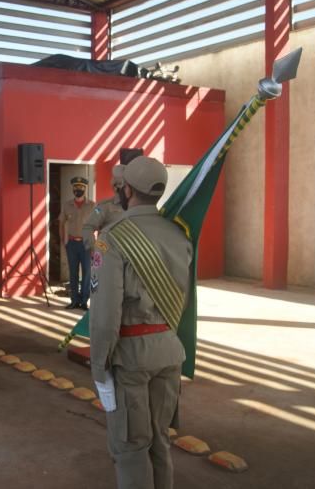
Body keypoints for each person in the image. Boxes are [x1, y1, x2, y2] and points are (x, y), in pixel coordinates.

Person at [89, 156, 192, 489]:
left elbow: (105, 314)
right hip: (169, 350)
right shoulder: (178, 234)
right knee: (160, 441)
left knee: (131, 447)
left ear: (127, 190)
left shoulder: (113, 238)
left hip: (131, 356)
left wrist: (99, 365)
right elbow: (183, 298)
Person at [59, 176, 95, 310]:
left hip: (87, 244)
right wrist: (63, 240)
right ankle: (74, 300)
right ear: (73, 189)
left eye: (81, 187)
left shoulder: (93, 205)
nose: (78, 189)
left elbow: (99, 223)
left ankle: (84, 301)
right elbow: (61, 223)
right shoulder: (66, 205)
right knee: (73, 273)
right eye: (76, 187)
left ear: (85, 189)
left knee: (87, 273)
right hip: (72, 244)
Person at [82, 165, 126, 251]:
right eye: (123, 187)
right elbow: (88, 227)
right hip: (110, 254)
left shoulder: (138, 206)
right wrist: (96, 249)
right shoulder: (104, 206)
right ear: (116, 187)